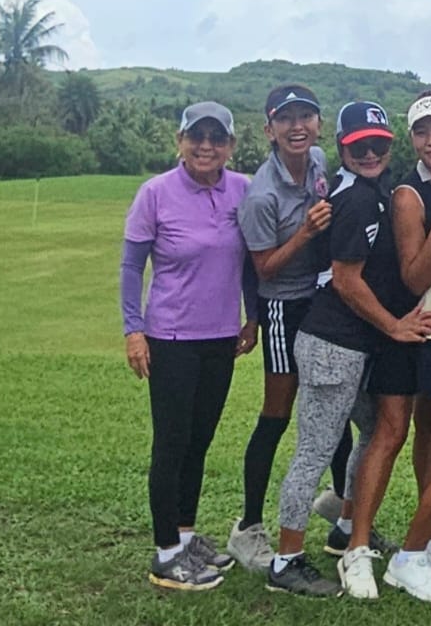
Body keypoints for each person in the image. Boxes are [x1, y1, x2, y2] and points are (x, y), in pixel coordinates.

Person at [268, 101, 431, 598]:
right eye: (357, 146)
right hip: (332, 345)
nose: (369, 153)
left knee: (377, 429)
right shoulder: (356, 200)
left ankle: (346, 527)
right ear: (342, 148)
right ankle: (285, 560)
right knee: (314, 451)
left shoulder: (374, 191)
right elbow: (346, 280)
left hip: (353, 346)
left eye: (377, 144)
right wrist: (394, 327)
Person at [339, 90, 431, 603]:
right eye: (422, 132)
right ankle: (357, 547)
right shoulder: (408, 195)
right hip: (409, 321)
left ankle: (430, 534)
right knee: (392, 430)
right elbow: (415, 277)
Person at [121, 101, 257, 591]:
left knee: (199, 441)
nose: (206, 146)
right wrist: (133, 329)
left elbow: (249, 262)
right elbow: (132, 265)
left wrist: (252, 316)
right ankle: (165, 554)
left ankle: (183, 536)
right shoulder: (156, 193)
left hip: (220, 337)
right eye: (196, 136)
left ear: (231, 146)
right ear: (180, 141)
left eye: (217, 138)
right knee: (172, 443)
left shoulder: (242, 189)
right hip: (171, 338)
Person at [227, 84, 337, 572]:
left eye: (305, 117)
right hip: (282, 306)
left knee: (335, 404)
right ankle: (248, 526)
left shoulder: (319, 162)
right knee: (277, 413)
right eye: (286, 119)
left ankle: (343, 510)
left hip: (321, 298)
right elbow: (264, 268)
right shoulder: (262, 194)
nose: (297, 127)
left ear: (318, 124)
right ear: (269, 129)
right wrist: (306, 232)